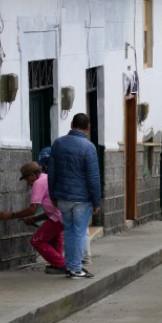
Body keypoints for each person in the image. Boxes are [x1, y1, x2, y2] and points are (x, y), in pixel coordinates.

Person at [49, 113, 101, 279]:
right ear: (88, 127)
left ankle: (71, 266)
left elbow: (51, 171)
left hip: (63, 196)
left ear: (71, 124)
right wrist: (96, 201)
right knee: (79, 233)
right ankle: (76, 268)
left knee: (69, 232)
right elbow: (93, 177)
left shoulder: (58, 143)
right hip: (81, 199)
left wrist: (52, 195)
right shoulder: (89, 147)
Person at [0, 161, 66, 274]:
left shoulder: (38, 183)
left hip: (58, 218)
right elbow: (50, 211)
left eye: (27, 179)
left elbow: (32, 210)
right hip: (62, 215)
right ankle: (57, 264)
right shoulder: (47, 177)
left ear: (32, 175)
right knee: (56, 236)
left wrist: (11, 215)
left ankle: (61, 264)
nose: (28, 183)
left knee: (36, 241)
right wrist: (34, 219)